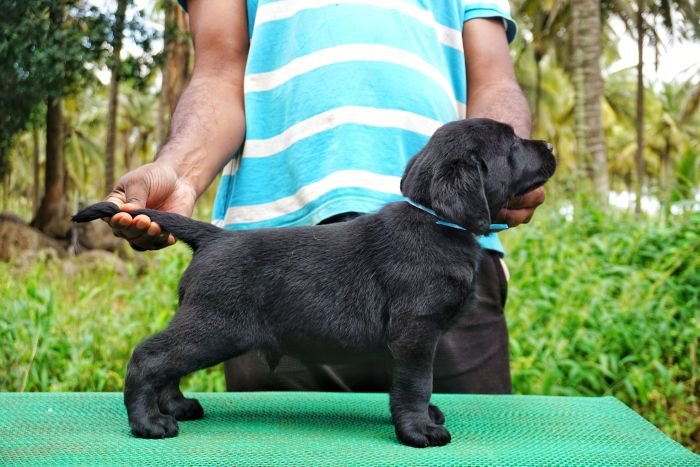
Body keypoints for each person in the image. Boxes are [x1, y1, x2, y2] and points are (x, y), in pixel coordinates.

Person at [105, 0, 545, 394]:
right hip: (275, 257)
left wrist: (504, 167)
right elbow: (219, 74)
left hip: (450, 240)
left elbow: (493, 81)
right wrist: (180, 174)